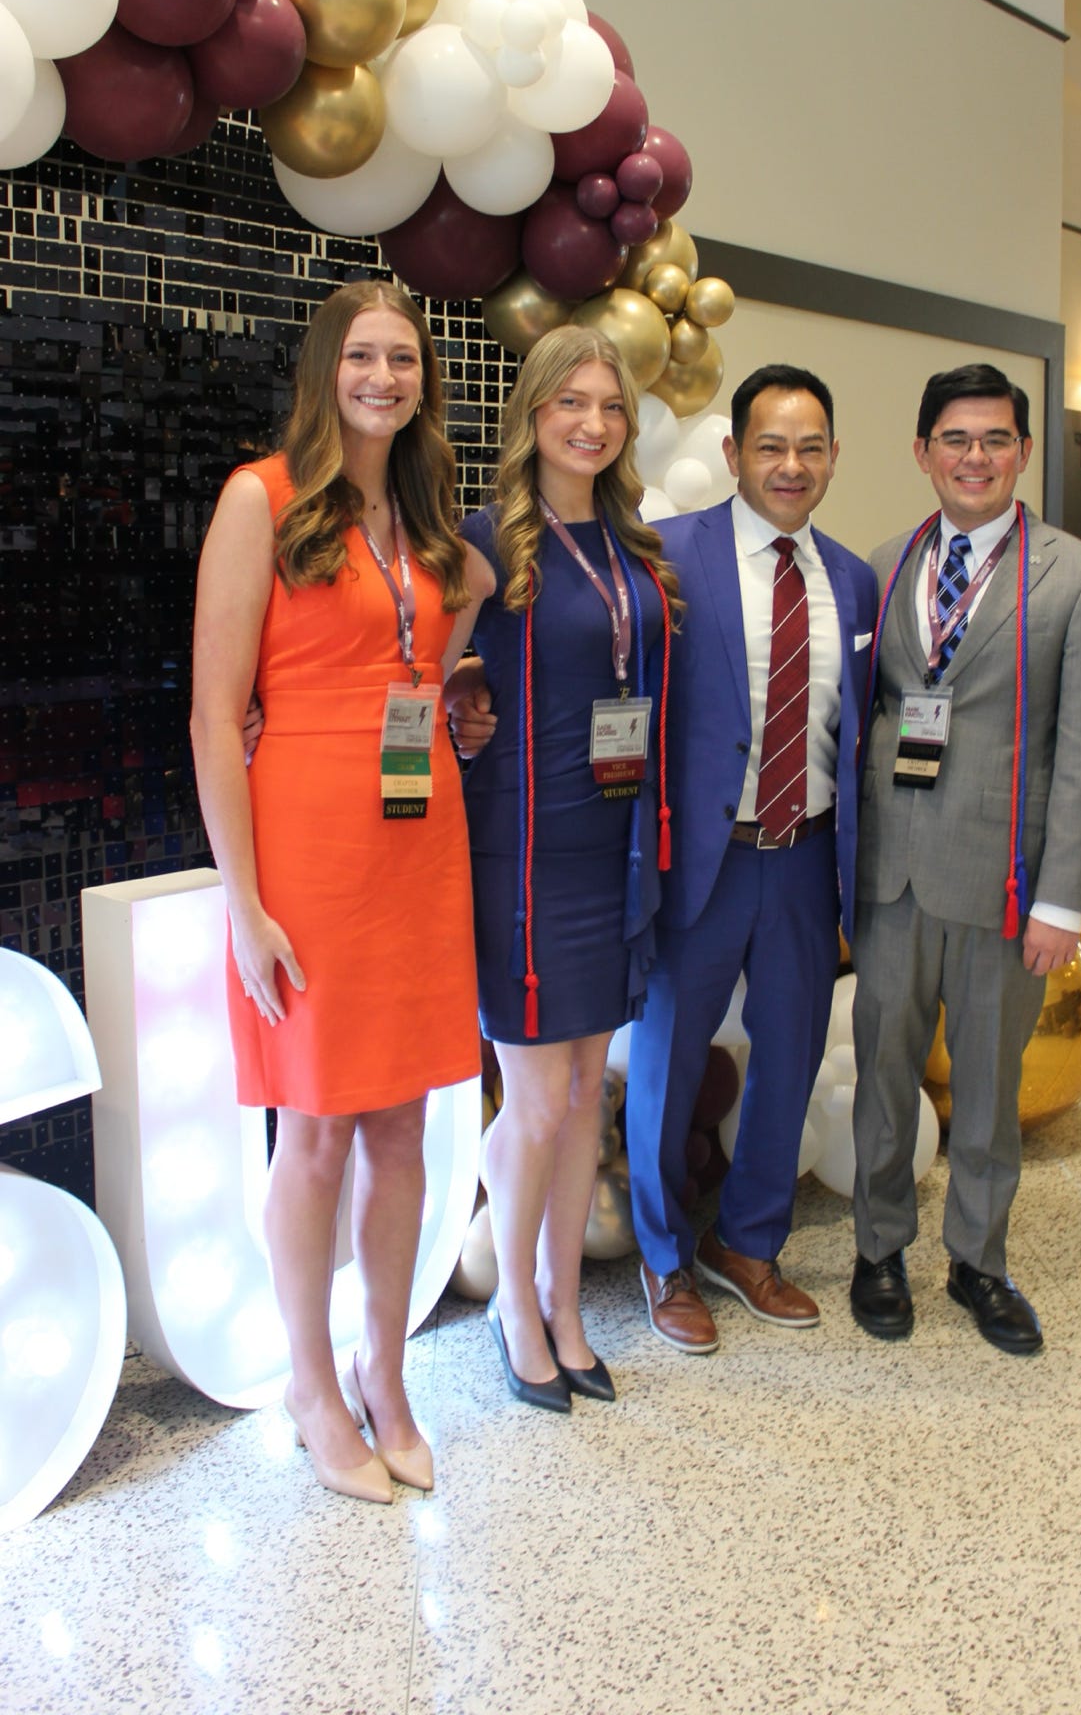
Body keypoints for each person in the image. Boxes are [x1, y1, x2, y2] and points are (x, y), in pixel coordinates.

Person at [190, 279, 490, 1503]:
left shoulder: (426, 516)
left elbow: (451, 618)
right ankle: (311, 1383)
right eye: (364, 356)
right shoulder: (259, 499)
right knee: (311, 1127)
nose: (384, 376)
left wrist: (449, 691)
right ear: (327, 370)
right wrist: (242, 900)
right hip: (306, 842)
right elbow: (215, 712)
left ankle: (386, 1369)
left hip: (418, 841)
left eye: (404, 359)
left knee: (403, 1123)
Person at [849, 362, 1081, 1356]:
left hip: (1006, 887)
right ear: (922, 451)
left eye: (995, 438)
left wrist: (1063, 898)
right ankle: (878, 1246)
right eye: (955, 439)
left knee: (986, 1083)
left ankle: (978, 1257)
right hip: (890, 877)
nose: (975, 456)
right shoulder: (882, 564)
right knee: (882, 1069)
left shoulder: (1078, 575)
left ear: (1022, 451)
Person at [626, 365, 878, 1351]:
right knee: (667, 1057)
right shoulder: (665, 555)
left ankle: (750, 1242)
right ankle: (661, 1255)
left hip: (804, 858)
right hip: (702, 857)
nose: (790, 463)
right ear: (732, 454)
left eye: (810, 445)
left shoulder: (850, 578)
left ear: (831, 458)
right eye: (770, 444)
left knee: (791, 1055)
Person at [454, 325, 679, 1410]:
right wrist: (451, 715)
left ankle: (565, 1302)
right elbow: (420, 673)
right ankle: (512, 1307)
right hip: (521, 847)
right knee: (537, 1098)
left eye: (609, 405)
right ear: (532, 412)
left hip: (612, 843)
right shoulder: (483, 540)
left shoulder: (637, 548)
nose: (590, 422)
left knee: (587, 1088)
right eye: (569, 402)